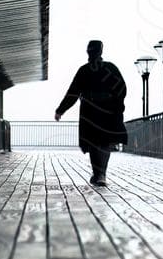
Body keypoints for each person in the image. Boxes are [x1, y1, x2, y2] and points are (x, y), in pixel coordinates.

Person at [54, 40, 127, 186]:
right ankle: (101, 175)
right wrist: (117, 107)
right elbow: (122, 89)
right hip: (108, 111)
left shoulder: (84, 70)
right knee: (105, 142)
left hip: (90, 111)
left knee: (94, 142)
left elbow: (73, 93)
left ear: (88, 52)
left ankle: (98, 174)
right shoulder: (110, 68)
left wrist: (60, 110)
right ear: (101, 51)